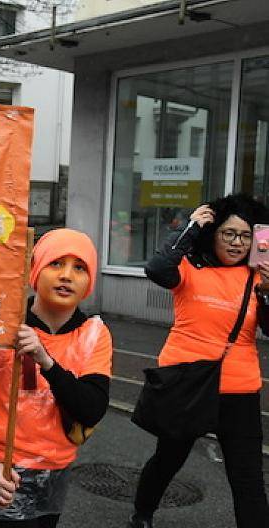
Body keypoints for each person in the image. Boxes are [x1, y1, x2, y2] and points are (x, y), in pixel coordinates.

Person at [0, 228, 112, 528]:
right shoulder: (2, 329)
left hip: (57, 470)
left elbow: (91, 409)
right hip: (4, 472)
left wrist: (46, 362)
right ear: (35, 270)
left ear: (89, 281)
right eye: (56, 263)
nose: (67, 275)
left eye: (80, 267)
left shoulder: (94, 335)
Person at [129, 194, 269, 528]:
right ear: (213, 233)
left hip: (239, 391)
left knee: (248, 479)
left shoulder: (258, 277)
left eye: (245, 235)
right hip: (188, 384)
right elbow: (157, 269)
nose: (237, 242)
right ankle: (142, 513)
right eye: (228, 233)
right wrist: (191, 227)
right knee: (168, 460)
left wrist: (268, 291)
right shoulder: (190, 267)